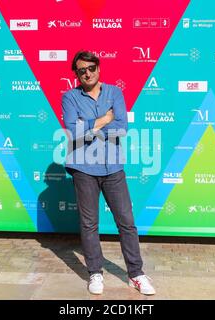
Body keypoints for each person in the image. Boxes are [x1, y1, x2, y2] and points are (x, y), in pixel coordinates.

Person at [61, 50, 155, 295]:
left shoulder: (114, 92)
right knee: (89, 223)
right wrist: (104, 120)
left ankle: (136, 273)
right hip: (83, 168)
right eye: (82, 70)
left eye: (91, 68)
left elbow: (122, 128)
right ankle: (95, 273)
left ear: (98, 68)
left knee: (127, 222)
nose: (87, 73)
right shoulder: (69, 97)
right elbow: (74, 131)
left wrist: (89, 125)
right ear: (76, 74)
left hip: (112, 166)